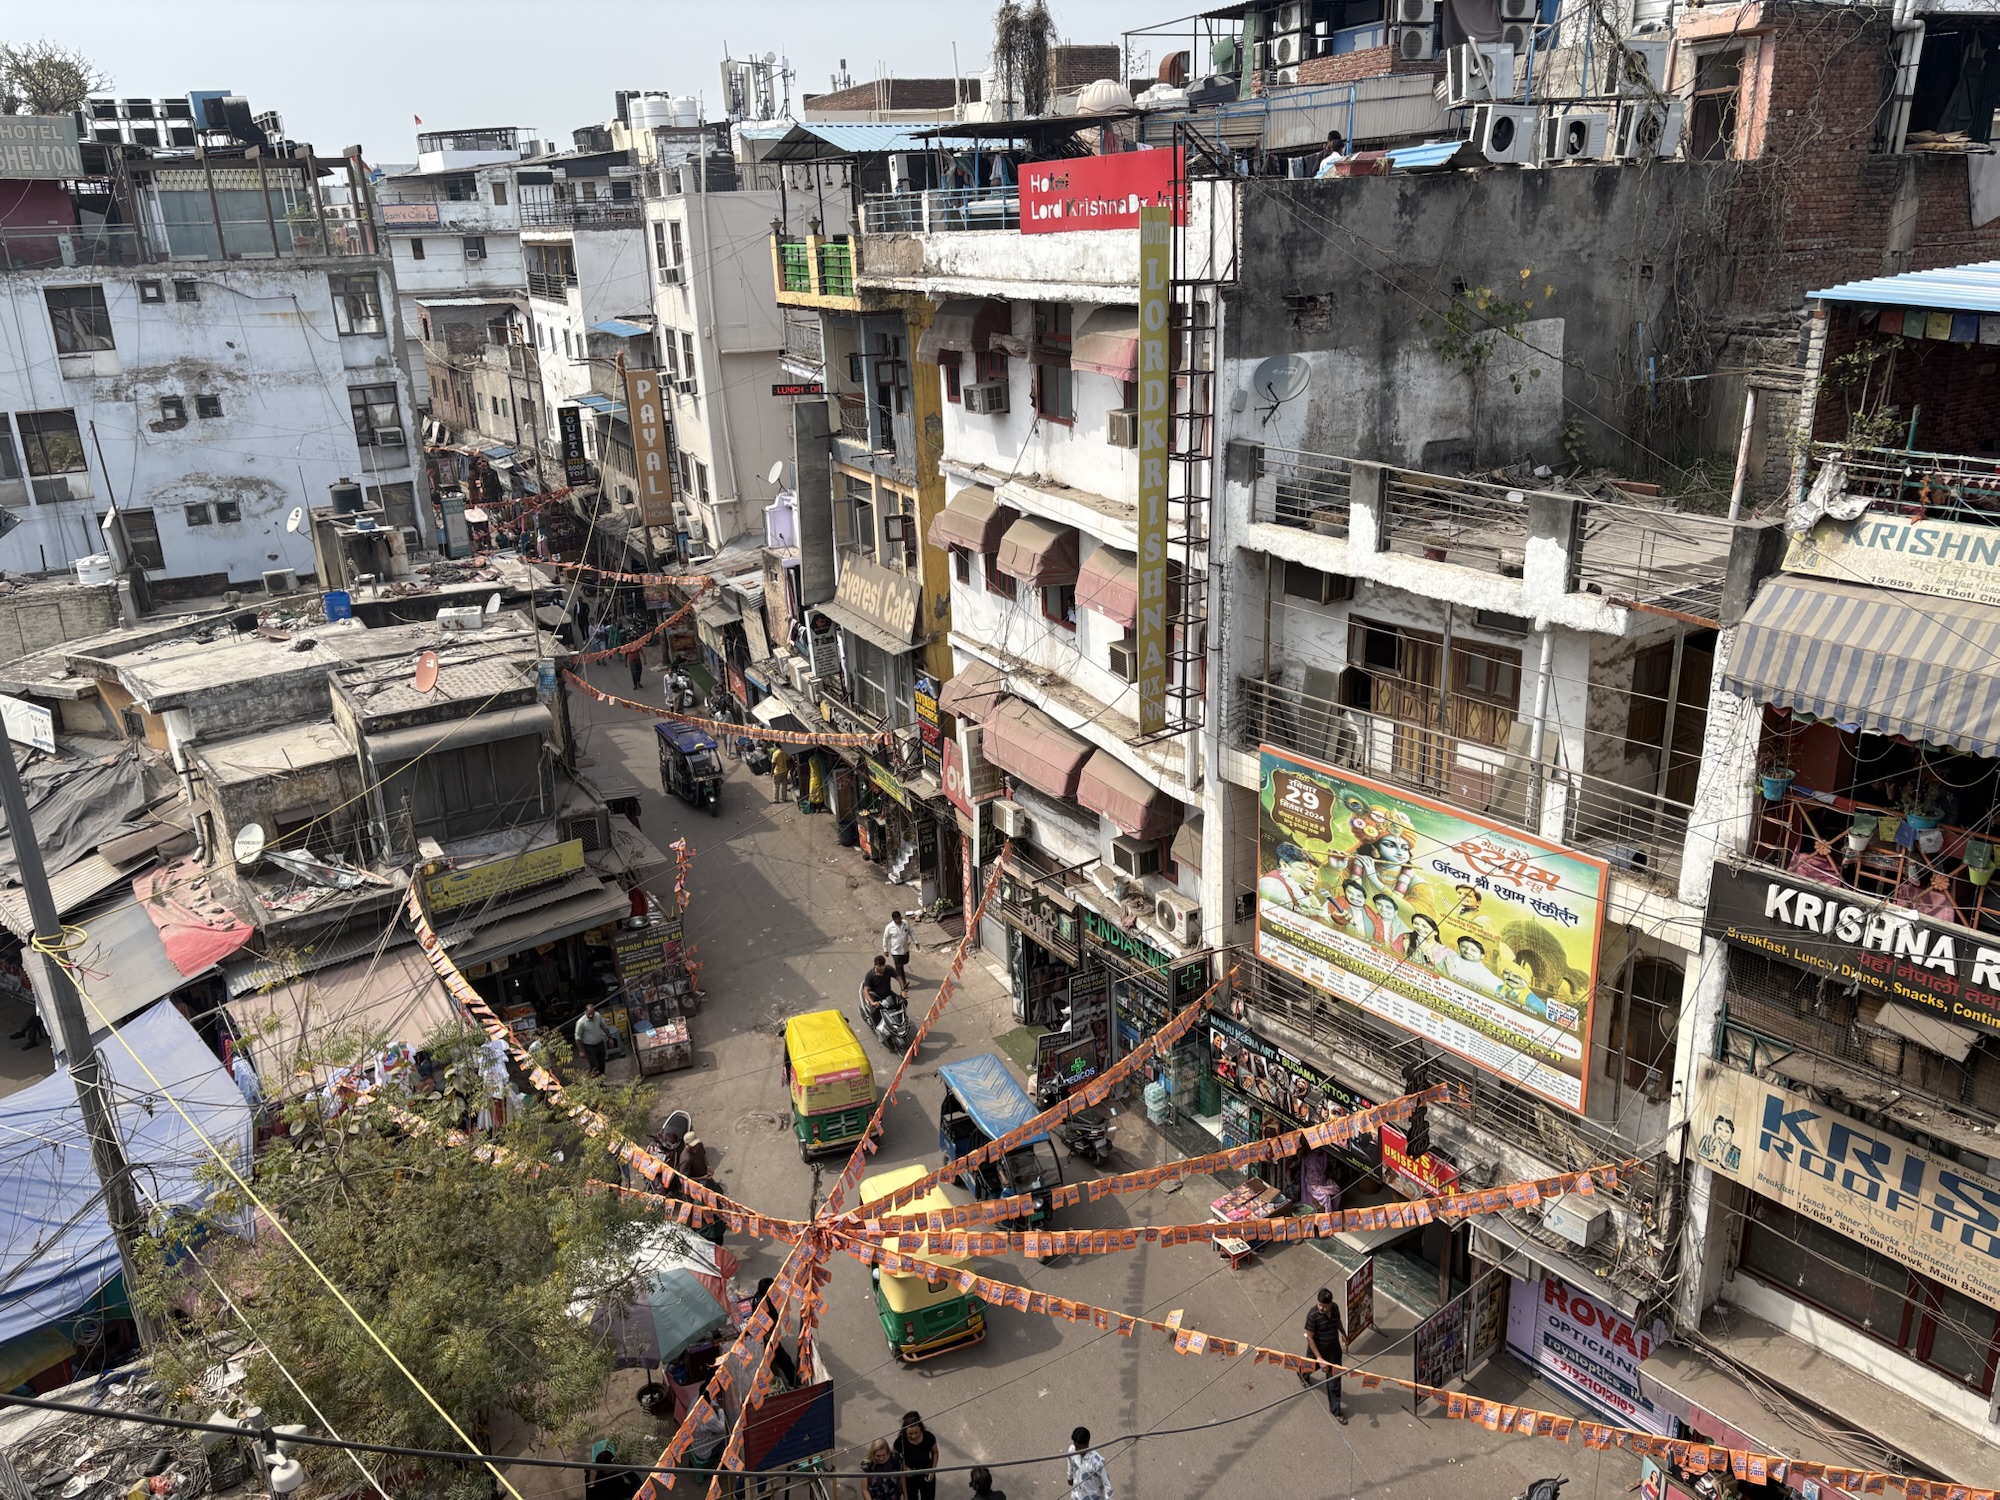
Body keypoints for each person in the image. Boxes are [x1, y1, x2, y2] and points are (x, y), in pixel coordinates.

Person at [1301, 1286, 1349, 1423]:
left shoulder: (1335, 1308)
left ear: (1330, 1304)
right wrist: (1320, 1359)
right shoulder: (1313, 1315)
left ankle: (1336, 1410)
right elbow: (1309, 1338)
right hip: (1317, 1351)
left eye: (1324, 1306)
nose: (1321, 1308)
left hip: (1334, 1350)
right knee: (1310, 1367)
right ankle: (1302, 1374)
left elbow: (1337, 1321)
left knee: (1335, 1381)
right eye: (1319, 1305)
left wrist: (1344, 1334)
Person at [752, 1276, 800, 1388]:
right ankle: (794, 1382)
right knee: (784, 1359)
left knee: (780, 1359)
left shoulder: (760, 1297)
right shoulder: (762, 1305)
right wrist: (769, 1336)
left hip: (770, 1334)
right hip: (769, 1337)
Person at [893, 1412, 938, 1500]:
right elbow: (894, 1456)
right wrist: (904, 1467)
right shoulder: (900, 1441)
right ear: (905, 1431)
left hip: (926, 1473)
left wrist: (932, 1471)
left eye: (916, 1433)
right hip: (909, 1477)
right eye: (910, 1434)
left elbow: (935, 1452)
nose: (913, 1436)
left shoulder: (929, 1437)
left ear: (921, 1429)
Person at [1065, 1428, 1112, 1500]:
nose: (1076, 1449)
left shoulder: (1097, 1462)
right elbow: (1070, 1462)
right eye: (1075, 1446)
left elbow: (1108, 1486)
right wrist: (1070, 1476)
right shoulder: (1072, 1450)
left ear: (1086, 1444)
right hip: (1076, 1496)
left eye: (1079, 1447)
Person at [573, 1003, 609, 1076]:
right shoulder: (581, 1023)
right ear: (585, 1012)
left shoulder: (597, 1015)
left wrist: (610, 1038)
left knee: (602, 1063)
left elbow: (604, 1027)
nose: (591, 1016)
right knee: (595, 1066)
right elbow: (577, 1038)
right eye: (589, 1014)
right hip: (589, 1047)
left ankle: (601, 1081)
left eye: (592, 1014)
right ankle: (595, 1083)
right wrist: (581, 1051)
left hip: (599, 1043)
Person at [882, 911, 913, 984]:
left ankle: (897, 970)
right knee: (900, 968)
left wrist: (916, 941)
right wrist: (885, 950)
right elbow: (885, 939)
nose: (900, 920)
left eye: (900, 918)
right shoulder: (889, 927)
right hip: (896, 951)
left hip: (905, 949)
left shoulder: (905, 923)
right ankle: (903, 984)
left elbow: (911, 932)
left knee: (905, 961)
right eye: (898, 919)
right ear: (894, 919)